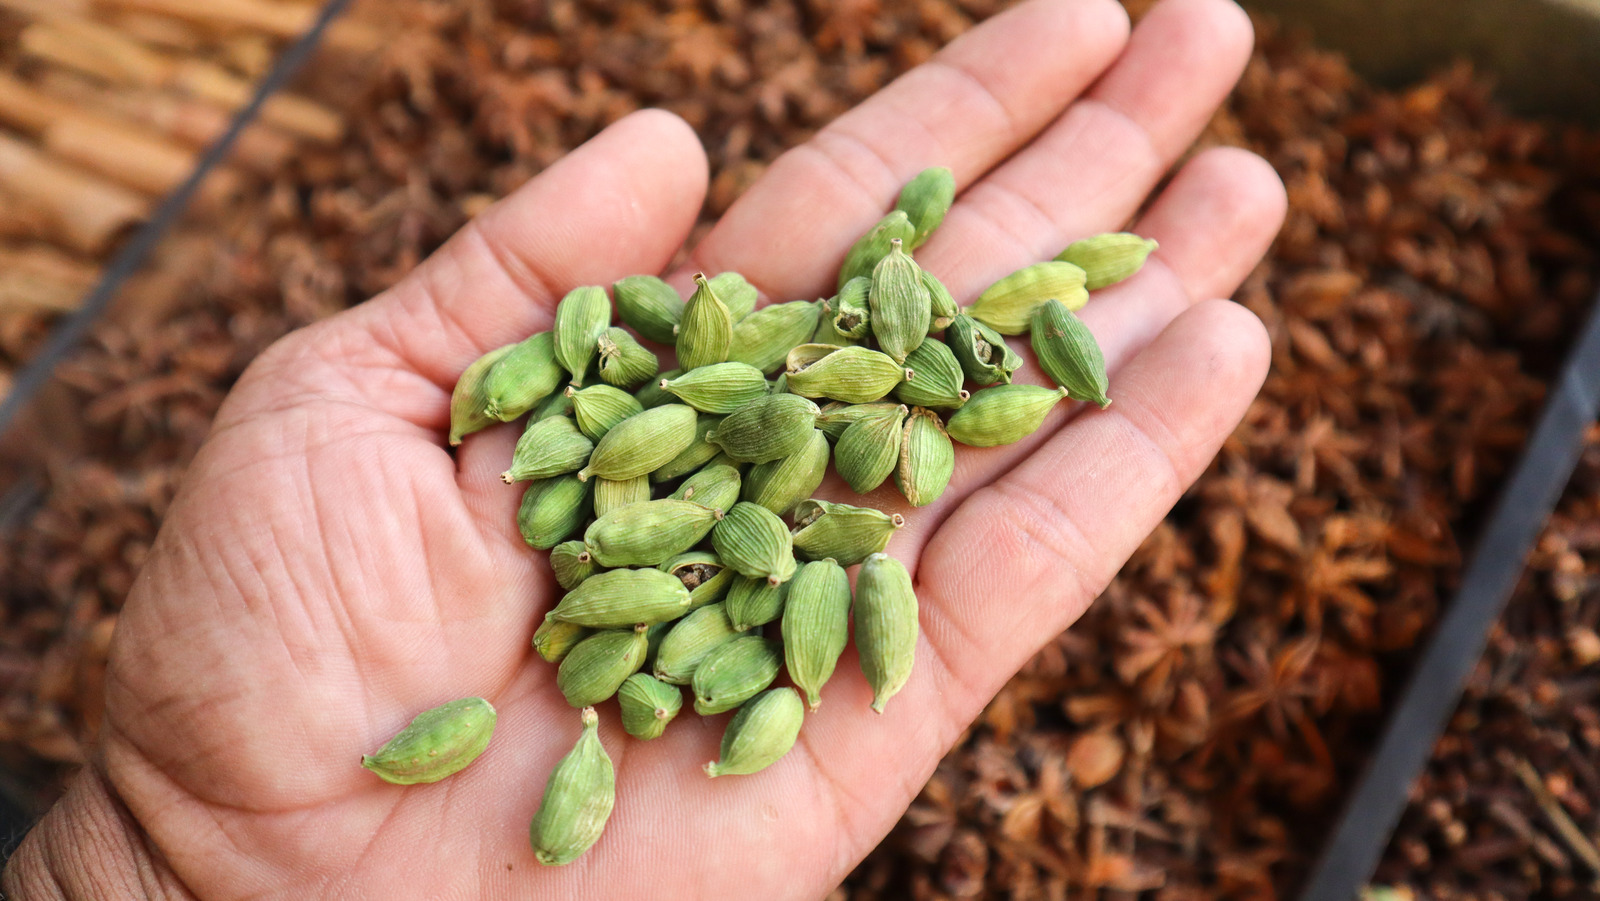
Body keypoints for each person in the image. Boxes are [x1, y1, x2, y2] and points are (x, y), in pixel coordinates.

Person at [1, 0, 1286, 896]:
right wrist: (163, 859)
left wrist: (159, 867)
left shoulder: (808, 440)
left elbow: (759, 473)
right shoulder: (654, 476)